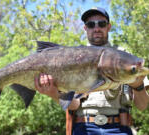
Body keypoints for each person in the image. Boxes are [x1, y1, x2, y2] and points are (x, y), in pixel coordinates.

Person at [34, 7, 149, 135]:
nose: (97, 28)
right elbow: (73, 105)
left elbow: (142, 105)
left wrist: (138, 86)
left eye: (101, 23)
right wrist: (53, 93)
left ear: (109, 27)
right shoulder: (70, 58)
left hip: (119, 128)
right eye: (91, 24)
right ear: (85, 28)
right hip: (83, 128)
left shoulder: (127, 58)